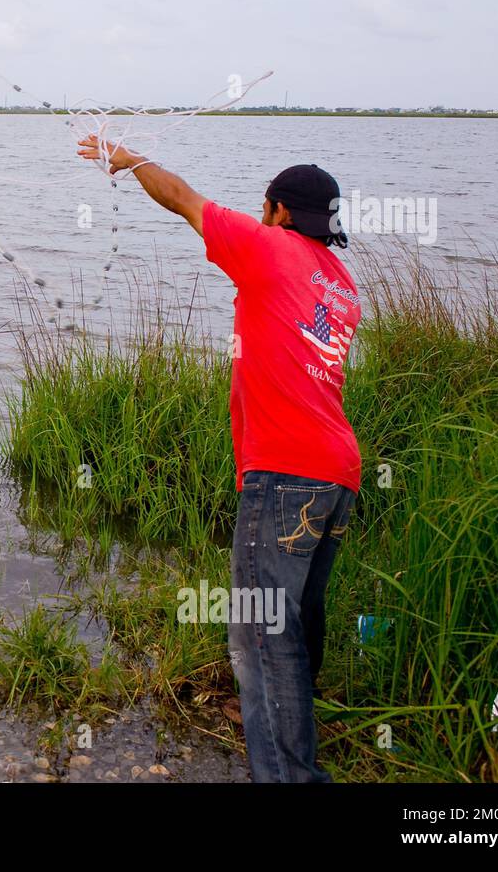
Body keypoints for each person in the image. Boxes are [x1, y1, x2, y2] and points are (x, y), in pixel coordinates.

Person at [77, 137, 362, 782]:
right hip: (338, 469)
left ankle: (290, 773)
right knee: (299, 617)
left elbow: (181, 198)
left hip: (286, 469)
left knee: (261, 636)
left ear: (278, 210)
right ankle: (294, 721)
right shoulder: (341, 285)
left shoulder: (266, 246)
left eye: (266, 205)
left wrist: (128, 159)